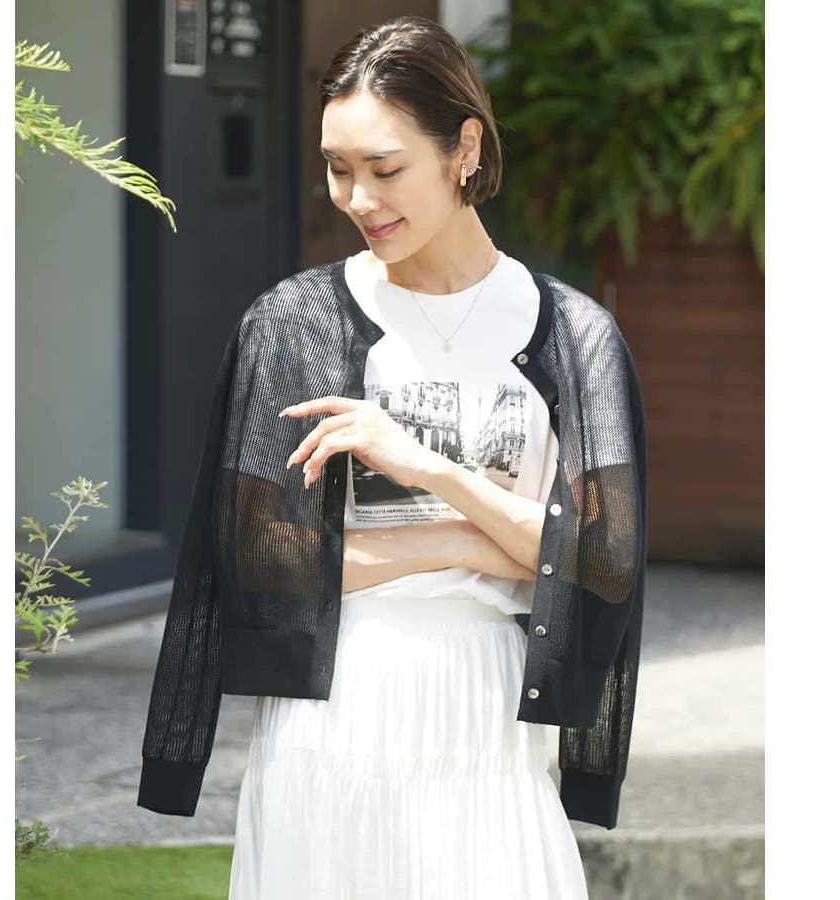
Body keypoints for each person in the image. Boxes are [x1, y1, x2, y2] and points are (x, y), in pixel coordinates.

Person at [137, 15, 647, 900]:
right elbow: (256, 565)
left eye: (384, 169)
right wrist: (463, 544)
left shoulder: (572, 336)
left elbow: (603, 562)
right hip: (330, 720)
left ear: (464, 149)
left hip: (486, 718)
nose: (358, 198)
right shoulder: (294, 324)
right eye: (338, 169)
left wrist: (433, 472)